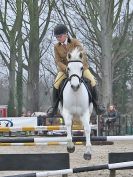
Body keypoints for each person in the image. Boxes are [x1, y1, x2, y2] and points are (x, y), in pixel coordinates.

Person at [47, 24, 105, 117]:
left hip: (79, 68)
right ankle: (54, 108)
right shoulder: (56, 47)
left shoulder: (75, 42)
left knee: (93, 81)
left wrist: (77, 65)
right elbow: (57, 61)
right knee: (56, 84)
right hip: (65, 69)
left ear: (66, 34)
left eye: (60, 36)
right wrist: (65, 68)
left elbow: (82, 53)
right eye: (57, 37)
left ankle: (97, 105)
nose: (58, 38)